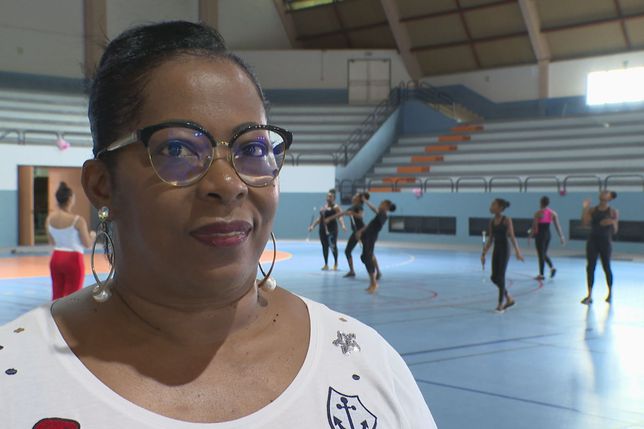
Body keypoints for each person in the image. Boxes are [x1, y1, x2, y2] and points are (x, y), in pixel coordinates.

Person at [0, 22, 437, 428]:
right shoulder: (15, 377)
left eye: (253, 148)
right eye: (176, 149)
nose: (228, 184)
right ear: (101, 185)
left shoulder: (365, 365)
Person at [46, 182, 95, 299]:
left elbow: (52, 242)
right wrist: (93, 235)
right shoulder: (78, 220)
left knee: (56, 296)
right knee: (73, 298)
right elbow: (87, 244)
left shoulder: (49, 219)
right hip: (73, 259)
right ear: (70, 199)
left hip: (56, 257)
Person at [481, 198, 524, 312]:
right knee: (494, 277)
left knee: (501, 276)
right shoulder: (491, 222)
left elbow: (512, 237)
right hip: (497, 249)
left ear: (500, 208)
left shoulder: (506, 220)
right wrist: (483, 253)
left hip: (505, 249)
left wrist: (518, 251)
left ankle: (500, 304)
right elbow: (490, 239)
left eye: (493, 204)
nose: (491, 206)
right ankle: (509, 298)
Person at [581, 190, 619, 304]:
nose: (603, 194)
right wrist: (585, 208)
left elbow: (615, 230)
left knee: (606, 266)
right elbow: (584, 223)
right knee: (590, 267)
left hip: (605, 242)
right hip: (593, 240)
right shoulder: (592, 210)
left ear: (610, 198)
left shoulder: (612, 211)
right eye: (602, 192)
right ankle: (589, 295)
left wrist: (611, 222)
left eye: (606, 193)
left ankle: (610, 293)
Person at [356, 200, 396, 293]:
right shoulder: (380, 214)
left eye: (382, 204)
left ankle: (374, 283)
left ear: (386, 206)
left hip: (370, 238)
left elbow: (374, 209)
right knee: (365, 258)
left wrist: (366, 201)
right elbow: (370, 224)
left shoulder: (383, 215)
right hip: (367, 237)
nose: (380, 205)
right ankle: (373, 283)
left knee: (368, 258)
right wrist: (361, 231)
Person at [308, 189, 346, 270]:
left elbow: (340, 217)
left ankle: (335, 263)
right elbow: (319, 219)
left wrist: (342, 225)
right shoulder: (324, 207)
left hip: (332, 229)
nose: (328, 197)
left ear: (334, 198)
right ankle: (326, 264)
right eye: (328, 196)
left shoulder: (336, 207)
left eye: (330, 196)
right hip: (322, 229)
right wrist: (313, 226)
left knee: (333, 246)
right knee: (324, 246)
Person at [531, 196, 565, 280]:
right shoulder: (553, 213)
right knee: (543, 253)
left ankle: (541, 274)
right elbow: (557, 226)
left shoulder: (538, 213)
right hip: (548, 235)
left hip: (540, 235)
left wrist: (531, 234)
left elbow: (535, 227)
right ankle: (552, 268)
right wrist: (561, 236)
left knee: (541, 255)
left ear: (541, 203)